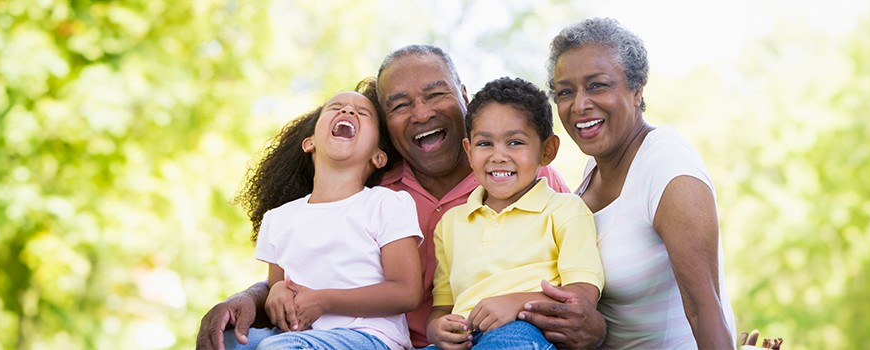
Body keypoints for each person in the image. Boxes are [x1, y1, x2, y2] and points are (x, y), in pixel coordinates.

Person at [196, 45, 571, 350]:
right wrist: (251, 297)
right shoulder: (375, 192)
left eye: (436, 93)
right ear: (386, 130)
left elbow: (582, 271)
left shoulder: (527, 179)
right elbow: (302, 271)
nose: (421, 112)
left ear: (464, 96)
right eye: (399, 105)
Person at [516, 17, 738, 349]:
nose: (579, 105)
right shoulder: (593, 171)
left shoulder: (667, 165)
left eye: (597, 85)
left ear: (637, 89)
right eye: (565, 92)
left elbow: (704, 309)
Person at [241, 79, 424, 350]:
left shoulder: (386, 204)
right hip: (298, 337)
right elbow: (277, 287)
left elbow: (406, 292)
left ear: (378, 156)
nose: (348, 111)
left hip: (369, 336)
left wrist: (324, 300)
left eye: (363, 113)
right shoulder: (277, 218)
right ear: (309, 142)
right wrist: (276, 294)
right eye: (336, 107)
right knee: (229, 341)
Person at [422, 77, 603, 350]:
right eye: (485, 144)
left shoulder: (566, 210)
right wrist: (437, 329)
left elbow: (582, 297)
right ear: (469, 152)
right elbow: (443, 307)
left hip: (527, 330)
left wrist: (516, 302)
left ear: (547, 150)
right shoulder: (450, 224)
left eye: (515, 142)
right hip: (467, 336)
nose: (498, 156)